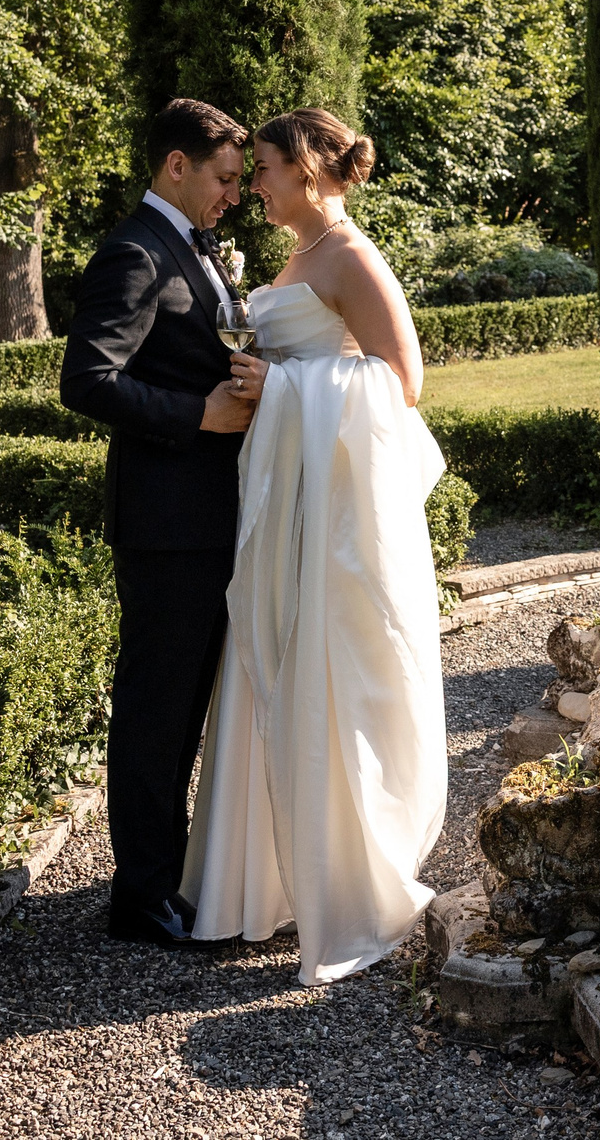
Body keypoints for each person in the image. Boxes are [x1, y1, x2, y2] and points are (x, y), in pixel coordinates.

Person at [183, 106, 449, 984]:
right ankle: (260, 880)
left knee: (328, 675)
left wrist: (286, 384)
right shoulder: (295, 258)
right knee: (270, 663)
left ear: (307, 166)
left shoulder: (353, 257)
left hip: (335, 518)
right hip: (289, 503)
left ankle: (346, 877)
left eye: (260, 167)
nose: (251, 182)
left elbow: (402, 384)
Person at [59, 97, 265, 946]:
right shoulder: (134, 253)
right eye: (222, 177)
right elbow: (85, 380)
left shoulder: (192, 247)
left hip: (206, 517)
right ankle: (138, 894)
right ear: (175, 165)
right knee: (155, 709)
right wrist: (198, 415)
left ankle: (165, 871)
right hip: (166, 523)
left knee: (183, 710)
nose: (232, 195)